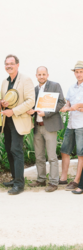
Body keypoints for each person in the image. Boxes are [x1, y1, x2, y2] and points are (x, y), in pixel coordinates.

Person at [1, 54, 35, 195]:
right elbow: (6, 99)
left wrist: (13, 111)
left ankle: (19, 185)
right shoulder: (4, 81)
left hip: (18, 119)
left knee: (16, 150)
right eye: (7, 64)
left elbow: (30, 101)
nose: (9, 66)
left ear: (17, 65)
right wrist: (4, 103)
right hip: (7, 121)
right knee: (9, 150)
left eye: (12, 63)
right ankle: (15, 179)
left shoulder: (25, 79)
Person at [26, 66, 64, 192]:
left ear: (47, 75)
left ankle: (53, 182)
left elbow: (61, 102)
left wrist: (46, 113)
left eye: (44, 74)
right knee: (39, 156)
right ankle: (41, 179)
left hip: (50, 126)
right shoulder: (34, 90)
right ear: (36, 76)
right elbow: (32, 105)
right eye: (39, 74)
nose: (41, 76)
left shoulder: (55, 86)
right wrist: (30, 112)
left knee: (52, 156)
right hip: (37, 127)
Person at [60, 60, 83, 191]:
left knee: (81, 154)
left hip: (81, 125)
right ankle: (63, 178)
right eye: (77, 72)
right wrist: (65, 107)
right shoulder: (71, 87)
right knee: (64, 151)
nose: (79, 74)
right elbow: (68, 104)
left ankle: (76, 180)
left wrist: (79, 106)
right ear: (74, 73)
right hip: (71, 124)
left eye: (81, 72)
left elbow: (78, 106)